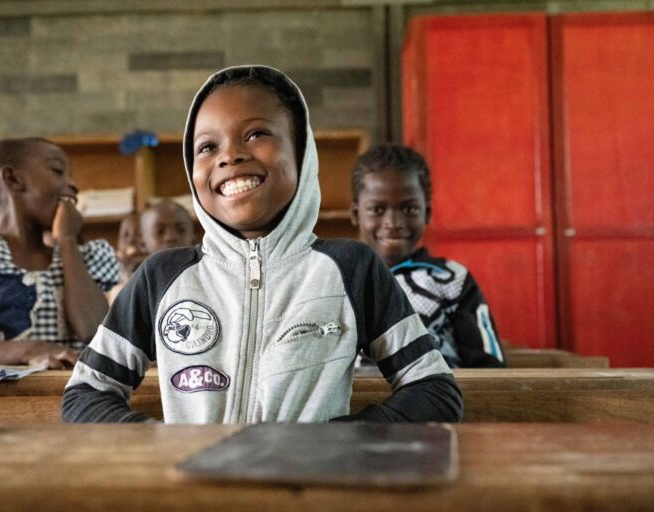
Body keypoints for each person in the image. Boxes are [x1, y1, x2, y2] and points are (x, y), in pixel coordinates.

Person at [62, 65, 462, 423]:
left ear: (302, 153)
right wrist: (161, 447)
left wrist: (340, 444)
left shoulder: (350, 268)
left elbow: (435, 390)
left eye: (256, 134)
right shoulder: (163, 276)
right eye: (207, 147)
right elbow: (85, 393)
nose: (230, 156)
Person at [0, 137, 120, 369]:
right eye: (58, 171)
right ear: (13, 179)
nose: (73, 185)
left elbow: (92, 332)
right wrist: (31, 350)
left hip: (73, 394)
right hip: (1, 398)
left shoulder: (85, 257)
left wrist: (66, 240)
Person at [350, 143, 505, 368]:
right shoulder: (339, 279)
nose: (393, 223)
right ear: (356, 214)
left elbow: (491, 369)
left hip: (436, 399)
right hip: (356, 402)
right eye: (377, 209)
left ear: (427, 213)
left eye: (409, 209)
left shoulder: (452, 279)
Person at [108, 200, 196, 303]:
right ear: (143, 244)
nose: (170, 237)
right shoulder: (131, 290)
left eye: (181, 230)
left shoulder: (208, 279)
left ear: (194, 237)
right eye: (160, 232)